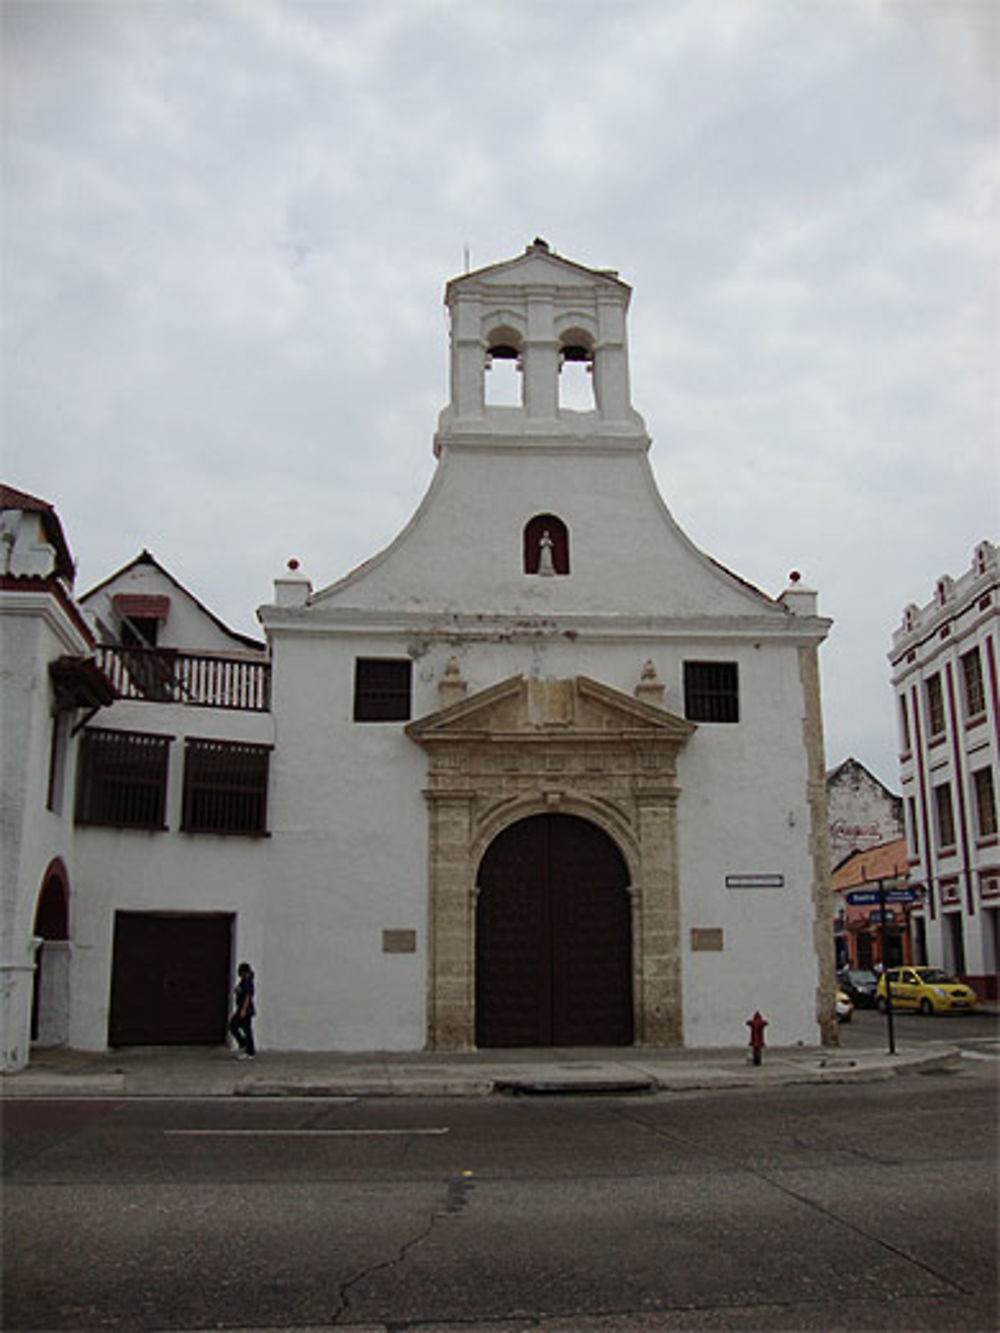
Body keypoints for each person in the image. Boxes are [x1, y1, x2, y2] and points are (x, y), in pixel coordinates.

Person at [228, 962, 256, 1059]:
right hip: (241, 1008)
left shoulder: (247, 981)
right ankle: (245, 1046)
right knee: (234, 1026)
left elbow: (248, 996)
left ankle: (248, 1050)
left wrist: (244, 1009)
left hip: (245, 1009)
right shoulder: (244, 981)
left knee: (243, 1029)